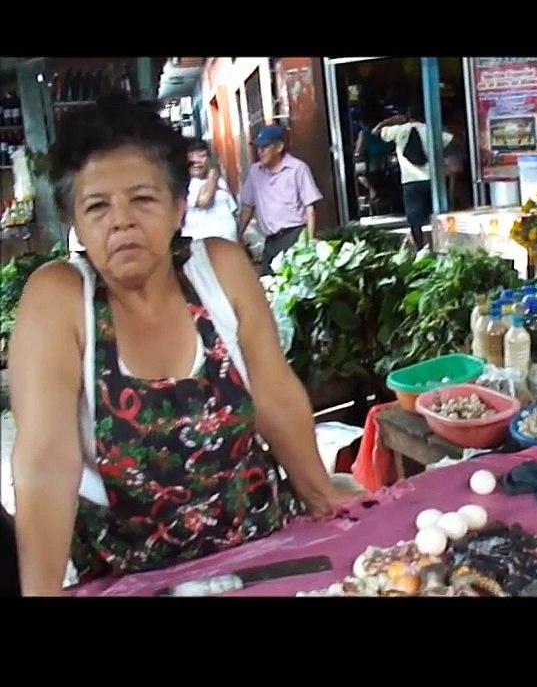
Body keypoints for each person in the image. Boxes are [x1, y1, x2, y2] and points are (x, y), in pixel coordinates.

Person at [6, 93, 354, 596]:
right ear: (74, 224)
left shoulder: (219, 270)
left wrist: (323, 499)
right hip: (133, 578)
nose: (121, 220)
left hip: (264, 556)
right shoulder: (61, 298)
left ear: (177, 207)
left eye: (142, 199)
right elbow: (44, 463)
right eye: (97, 206)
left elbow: (276, 399)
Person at [237, 124, 323, 275]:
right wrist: (237, 236)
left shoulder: (297, 168)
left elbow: (310, 207)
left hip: (294, 236)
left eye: (265, 147)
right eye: (258, 148)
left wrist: (309, 242)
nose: (260, 151)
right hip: (270, 241)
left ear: (279, 147)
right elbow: (247, 207)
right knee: (267, 285)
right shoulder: (255, 172)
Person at [374, 102, 453, 250]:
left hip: (410, 181)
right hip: (432, 179)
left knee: (414, 219)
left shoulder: (398, 131)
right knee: (437, 214)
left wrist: (393, 120)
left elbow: (376, 131)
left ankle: (420, 247)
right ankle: (441, 245)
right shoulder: (431, 130)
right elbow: (450, 140)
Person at [182, 140, 239, 242]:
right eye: (192, 157)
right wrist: (213, 174)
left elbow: (232, 211)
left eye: (202, 156)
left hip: (229, 246)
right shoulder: (187, 185)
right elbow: (203, 201)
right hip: (203, 250)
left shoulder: (219, 181)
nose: (197, 162)